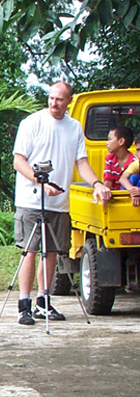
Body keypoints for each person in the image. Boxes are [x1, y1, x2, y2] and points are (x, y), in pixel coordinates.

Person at [13, 81, 112, 325]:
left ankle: (43, 302)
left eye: (59, 99)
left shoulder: (75, 127)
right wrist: (40, 182)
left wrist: (97, 183)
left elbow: (82, 162)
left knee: (51, 253)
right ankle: (23, 305)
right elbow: (19, 161)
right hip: (31, 199)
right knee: (30, 251)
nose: (54, 103)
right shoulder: (32, 122)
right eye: (51, 98)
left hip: (59, 202)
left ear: (69, 101)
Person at [103, 126, 135, 190]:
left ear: (121, 141)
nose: (107, 143)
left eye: (110, 139)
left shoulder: (134, 161)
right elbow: (107, 183)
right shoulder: (110, 158)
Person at [118, 139, 140, 205]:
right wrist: (133, 191)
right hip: (135, 193)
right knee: (133, 178)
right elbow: (122, 178)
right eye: (138, 150)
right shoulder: (136, 164)